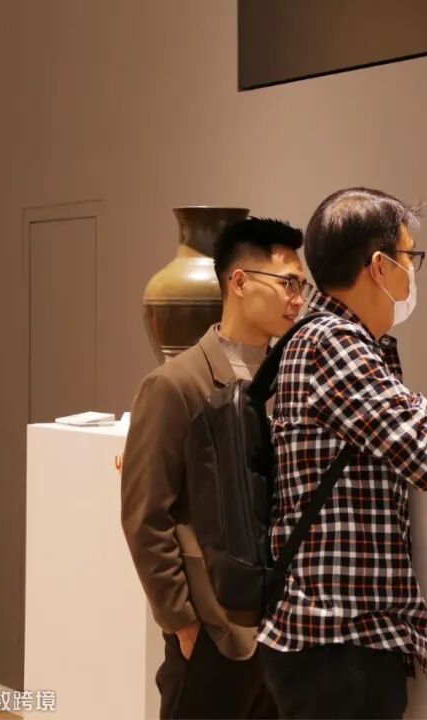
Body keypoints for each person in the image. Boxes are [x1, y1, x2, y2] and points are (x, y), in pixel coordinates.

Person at [257, 187, 427, 719]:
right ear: (380, 267)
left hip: (340, 637)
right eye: (410, 257)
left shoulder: (347, 342)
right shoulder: (333, 344)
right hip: (337, 637)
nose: (413, 272)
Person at [122, 216, 309, 719]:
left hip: (283, 630)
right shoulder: (175, 385)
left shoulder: (293, 382)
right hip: (212, 628)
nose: (298, 299)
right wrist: (181, 621)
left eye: (302, 287)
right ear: (239, 282)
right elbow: (145, 516)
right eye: (288, 283)